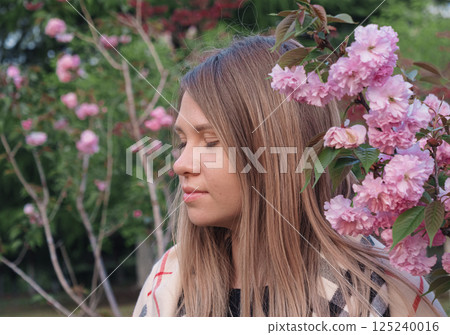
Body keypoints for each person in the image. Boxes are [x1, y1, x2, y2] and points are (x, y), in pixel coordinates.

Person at [133, 35, 447, 317]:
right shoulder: (169, 288)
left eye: (211, 142)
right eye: (183, 142)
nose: (179, 165)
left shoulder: (377, 292)